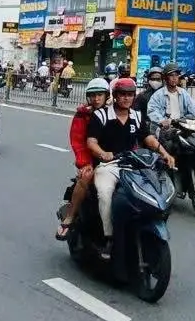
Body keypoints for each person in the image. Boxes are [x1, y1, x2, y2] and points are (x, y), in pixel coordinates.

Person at [85, 77, 174, 258]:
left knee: (154, 189)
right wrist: (103, 153)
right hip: (108, 165)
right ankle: (109, 238)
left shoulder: (136, 116)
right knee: (105, 193)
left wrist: (165, 154)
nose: (126, 98)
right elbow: (91, 142)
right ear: (115, 96)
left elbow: (148, 138)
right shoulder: (100, 115)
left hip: (133, 164)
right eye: (122, 95)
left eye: (130, 95)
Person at [56, 77, 111, 240]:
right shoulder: (82, 114)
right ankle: (70, 216)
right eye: (93, 95)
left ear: (107, 95)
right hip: (91, 159)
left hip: (114, 159)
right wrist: (85, 163)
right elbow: (78, 142)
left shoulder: (115, 112)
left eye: (100, 95)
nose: (96, 99)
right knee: (86, 177)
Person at [147, 63, 195, 127]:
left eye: (176, 75)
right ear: (165, 78)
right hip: (165, 128)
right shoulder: (158, 95)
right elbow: (152, 110)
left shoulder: (183, 93)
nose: (174, 78)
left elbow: (193, 107)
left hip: (182, 125)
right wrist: (162, 121)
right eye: (171, 75)